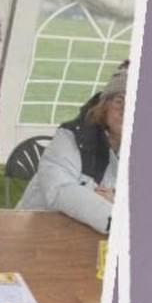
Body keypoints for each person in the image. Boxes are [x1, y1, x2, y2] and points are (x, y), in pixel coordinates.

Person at [17, 64, 127, 234]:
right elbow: (60, 190)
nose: (126, 110)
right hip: (37, 227)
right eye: (119, 101)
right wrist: (118, 219)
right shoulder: (71, 137)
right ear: (105, 106)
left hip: (90, 233)